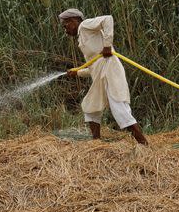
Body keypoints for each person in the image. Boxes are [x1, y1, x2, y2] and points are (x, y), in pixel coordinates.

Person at [58, 8, 148, 145]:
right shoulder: (82, 38)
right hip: (100, 75)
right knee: (90, 108)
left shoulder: (85, 25)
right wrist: (78, 72)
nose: (65, 30)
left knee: (119, 108)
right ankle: (96, 143)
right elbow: (94, 66)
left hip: (110, 71)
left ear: (74, 21)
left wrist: (107, 46)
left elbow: (108, 19)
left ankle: (143, 144)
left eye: (66, 25)